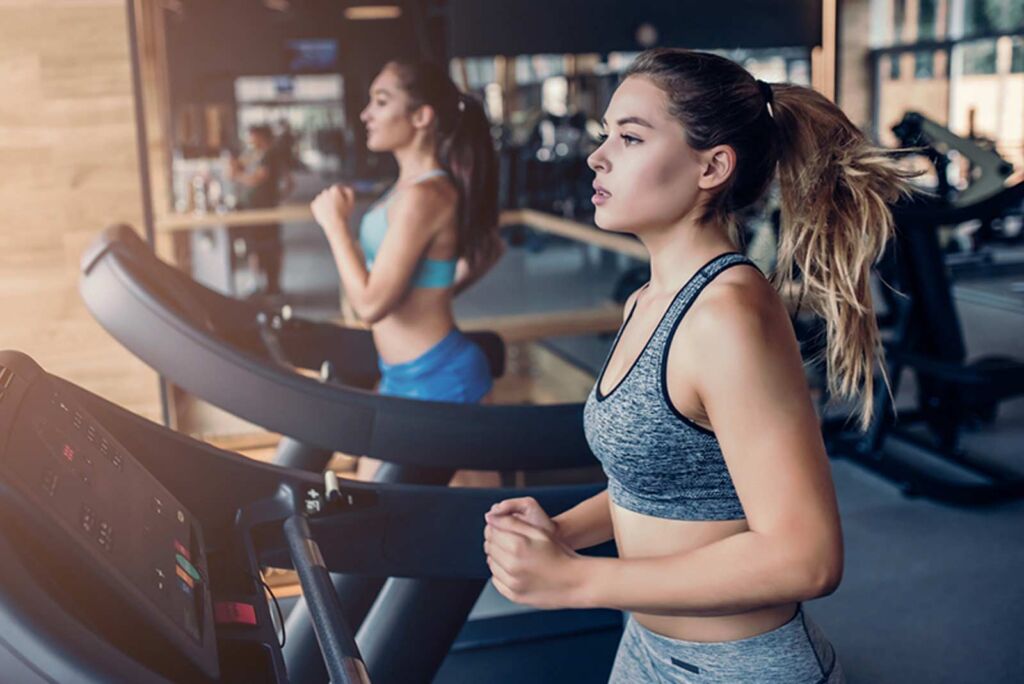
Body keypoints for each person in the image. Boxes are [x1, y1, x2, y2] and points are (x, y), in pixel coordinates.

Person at [483, 48, 916, 683]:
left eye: (629, 137)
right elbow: (665, 483)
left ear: (712, 166)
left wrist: (579, 580)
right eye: (606, 135)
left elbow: (809, 558)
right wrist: (563, 529)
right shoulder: (646, 301)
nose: (597, 156)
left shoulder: (727, 316)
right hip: (646, 648)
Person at [309, 60, 503, 403]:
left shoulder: (424, 196)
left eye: (381, 102)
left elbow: (369, 306)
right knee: (364, 460)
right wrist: (430, 294)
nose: (366, 115)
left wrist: (335, 224)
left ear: (421, 117)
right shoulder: (405, 190)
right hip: (397, 375)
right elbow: (490, 251)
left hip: (441, 378)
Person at [230, 124, 293, 296]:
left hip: (264, 209)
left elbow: (257, 178)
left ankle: (273, 285)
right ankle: (260, 284)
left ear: (261, 137)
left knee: (269, 246)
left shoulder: (270, 155)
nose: (250, 141)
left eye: (253, 137)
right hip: (255, 208)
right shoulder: (254, 154)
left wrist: (238, 176)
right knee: (256, 247)